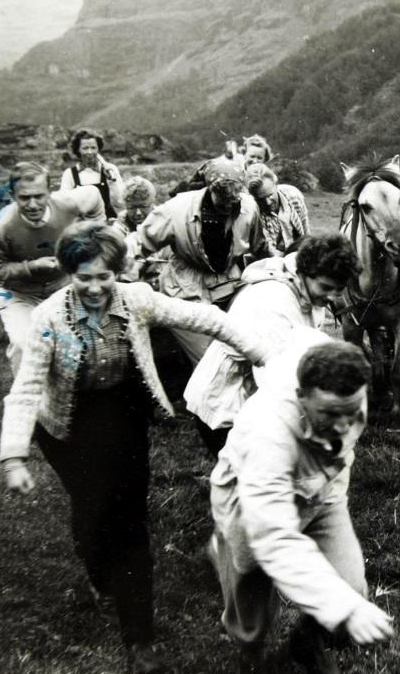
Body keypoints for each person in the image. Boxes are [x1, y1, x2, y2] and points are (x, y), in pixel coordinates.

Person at [0, 221, 269, 674]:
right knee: (92, 512)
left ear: (117, 272)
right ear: (69, 275)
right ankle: (96, 567)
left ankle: (140, 642)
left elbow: (205, 318)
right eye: (84, 278)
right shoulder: (47, 317)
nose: (95, 287)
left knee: (129, 522)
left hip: (120, 413)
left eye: (104, 276)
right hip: (63, 421)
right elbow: (25, 391)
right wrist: (13, 455)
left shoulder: (137, 298)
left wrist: (259, 351)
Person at [208, 337, 394, 674]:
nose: (343, 425)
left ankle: (307, 643)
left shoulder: (347, 380)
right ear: (301, 397)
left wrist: (346, 604)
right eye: (329, 414)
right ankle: (249, 654)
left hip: (320, 489)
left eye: (350, 412)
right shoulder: (267, 435)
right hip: (249, 497)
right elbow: (274, 537)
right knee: (251, 598)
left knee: (350, 588)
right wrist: (346, 610)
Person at [185, 233, 360, 457]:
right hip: (227, 404)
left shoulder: (305, 288)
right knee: (261, 482)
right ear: (303, 272)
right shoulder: (272, 301)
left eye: (339, 289)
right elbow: (277, 378)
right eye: (326, 288)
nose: (333, 298)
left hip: (254, 399)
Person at [0, 162, 105, 373]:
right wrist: (31, 267)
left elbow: (94, 195)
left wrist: (94, 235)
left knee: (81, 343)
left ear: (50, 191)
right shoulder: (0, 227)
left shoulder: (67, 203)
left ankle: (72, 399)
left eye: (39, 196)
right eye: (24, 198)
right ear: (12, 195)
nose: (33, 205)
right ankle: (27, 403)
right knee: (23, 345)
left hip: (62, 288)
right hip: (19, 294)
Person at [137, 157, 264, 364]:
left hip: (229, 283)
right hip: (185, 288)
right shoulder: (177, 209)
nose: (226, 209)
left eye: (232, 203)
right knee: (211, 360)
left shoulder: (249, 208)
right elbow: (140, 242)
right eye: (221, 202)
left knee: (243, 347)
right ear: (209, 189)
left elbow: (260, 246)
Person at [246, 163, 310, 256]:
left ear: (276, 184)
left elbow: (305, 234)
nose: (268, 202)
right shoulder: (250, 210)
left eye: (270, 195)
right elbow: (259, 248)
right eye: (261, 199)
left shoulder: (293, 196)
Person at [60, 128, 125, 220]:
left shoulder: (110, 169)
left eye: (93, 148)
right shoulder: (69, 174)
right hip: (81, 225)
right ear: (78, 150)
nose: (89, 152)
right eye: (85, 148)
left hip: (108, 223)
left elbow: (120, 202)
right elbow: (64, 204)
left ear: (98, 149)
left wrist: (112, 181)